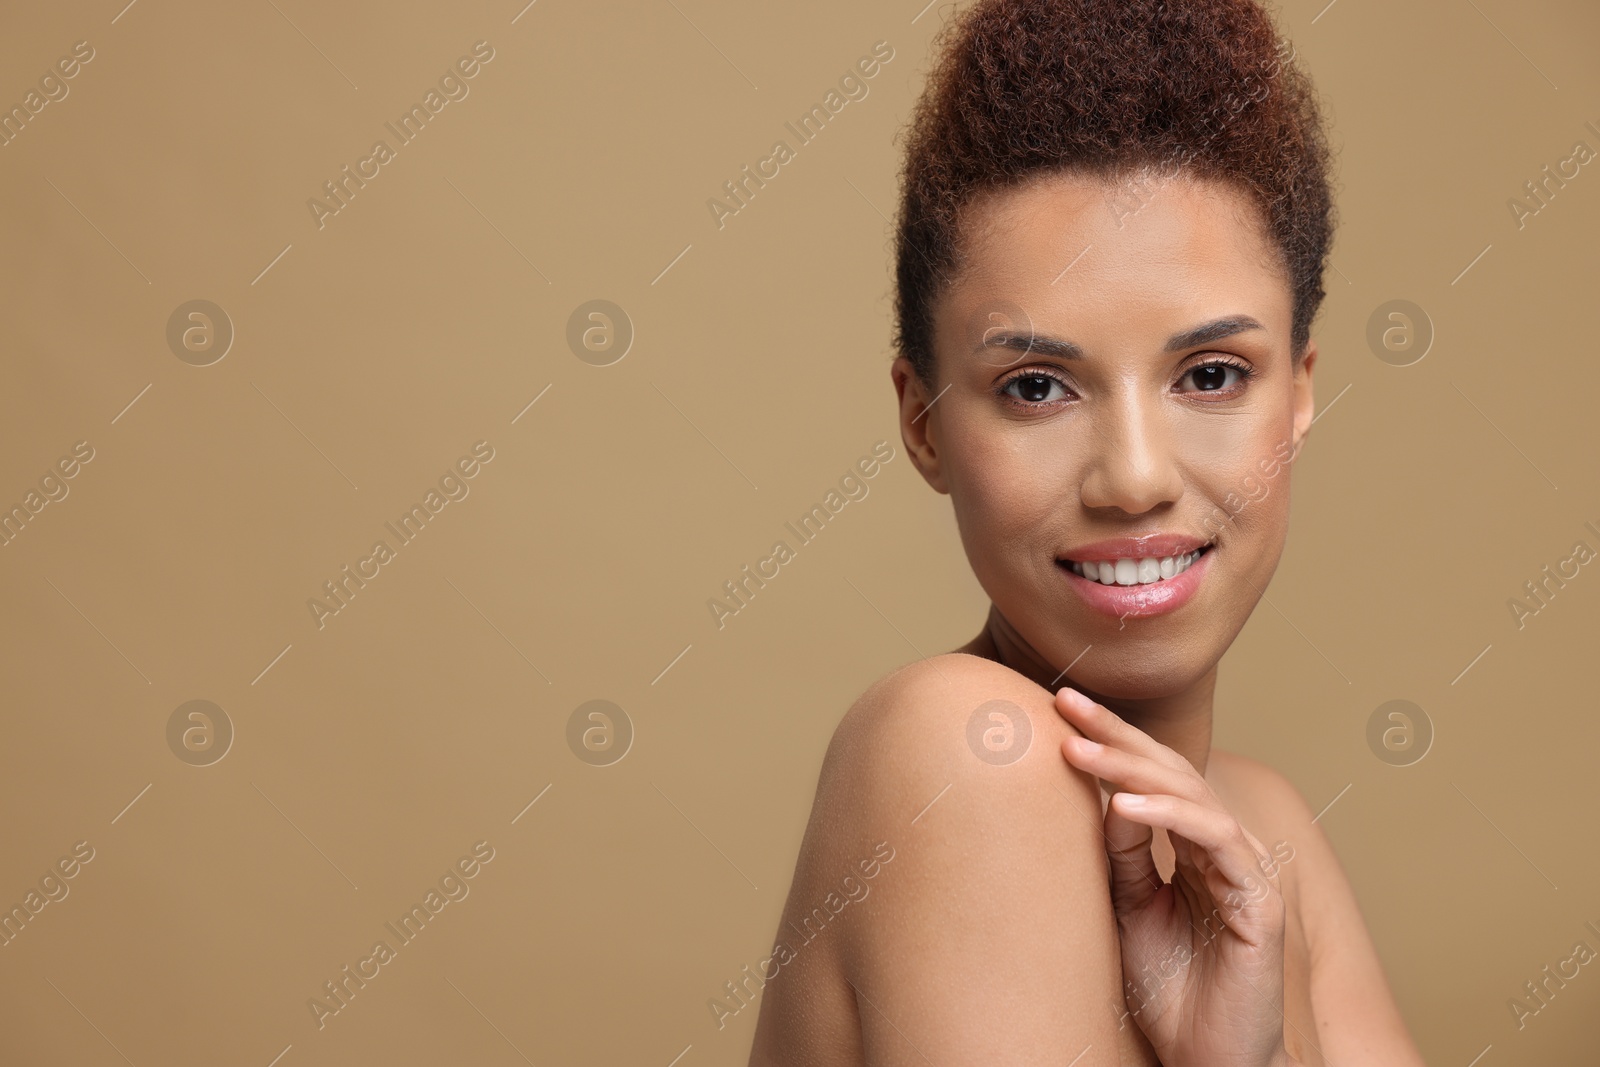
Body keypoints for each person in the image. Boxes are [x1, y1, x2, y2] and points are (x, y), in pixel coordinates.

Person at [746, 0, 1430, 1064]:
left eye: (1209, 375)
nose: (1134, 478)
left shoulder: (1267, 830)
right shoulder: (972, 755)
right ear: (922, 424)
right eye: (1036, 386)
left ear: (1297, 393)